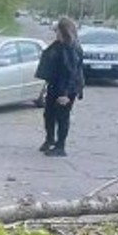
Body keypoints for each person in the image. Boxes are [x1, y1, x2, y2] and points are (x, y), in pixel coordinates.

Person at [36, 17, 84, 157]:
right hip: (55, 85)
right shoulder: (59, 45)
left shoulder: (72, 48)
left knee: (62, 116)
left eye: (57, 30)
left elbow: (71, 73)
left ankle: (60, 146)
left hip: (66, 88)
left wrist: (65, 94)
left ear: (64, 31)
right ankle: (50, 139)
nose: (56, 33)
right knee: (48, 114)